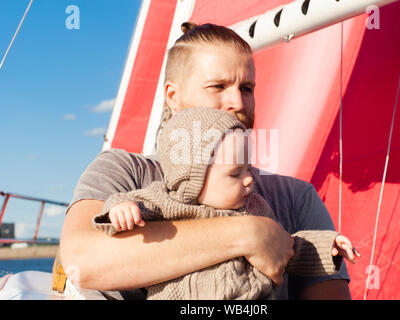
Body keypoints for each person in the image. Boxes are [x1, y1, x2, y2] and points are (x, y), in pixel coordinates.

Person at [60, 22, 353, 299]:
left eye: (246, 88)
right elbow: (82, 261)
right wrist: (249, 234)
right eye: (217, 86)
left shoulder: (296, 197)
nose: (237, 102)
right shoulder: (124, 172)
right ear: (172, 97)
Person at [90, 107, 359, 299]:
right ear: (192, 178)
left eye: (248, 170)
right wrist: (120, 208)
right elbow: (133, 203)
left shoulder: (256, 208)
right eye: (235, 173)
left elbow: (286, 247)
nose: (248, 180)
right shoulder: (166, 201)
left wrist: (327, 247)